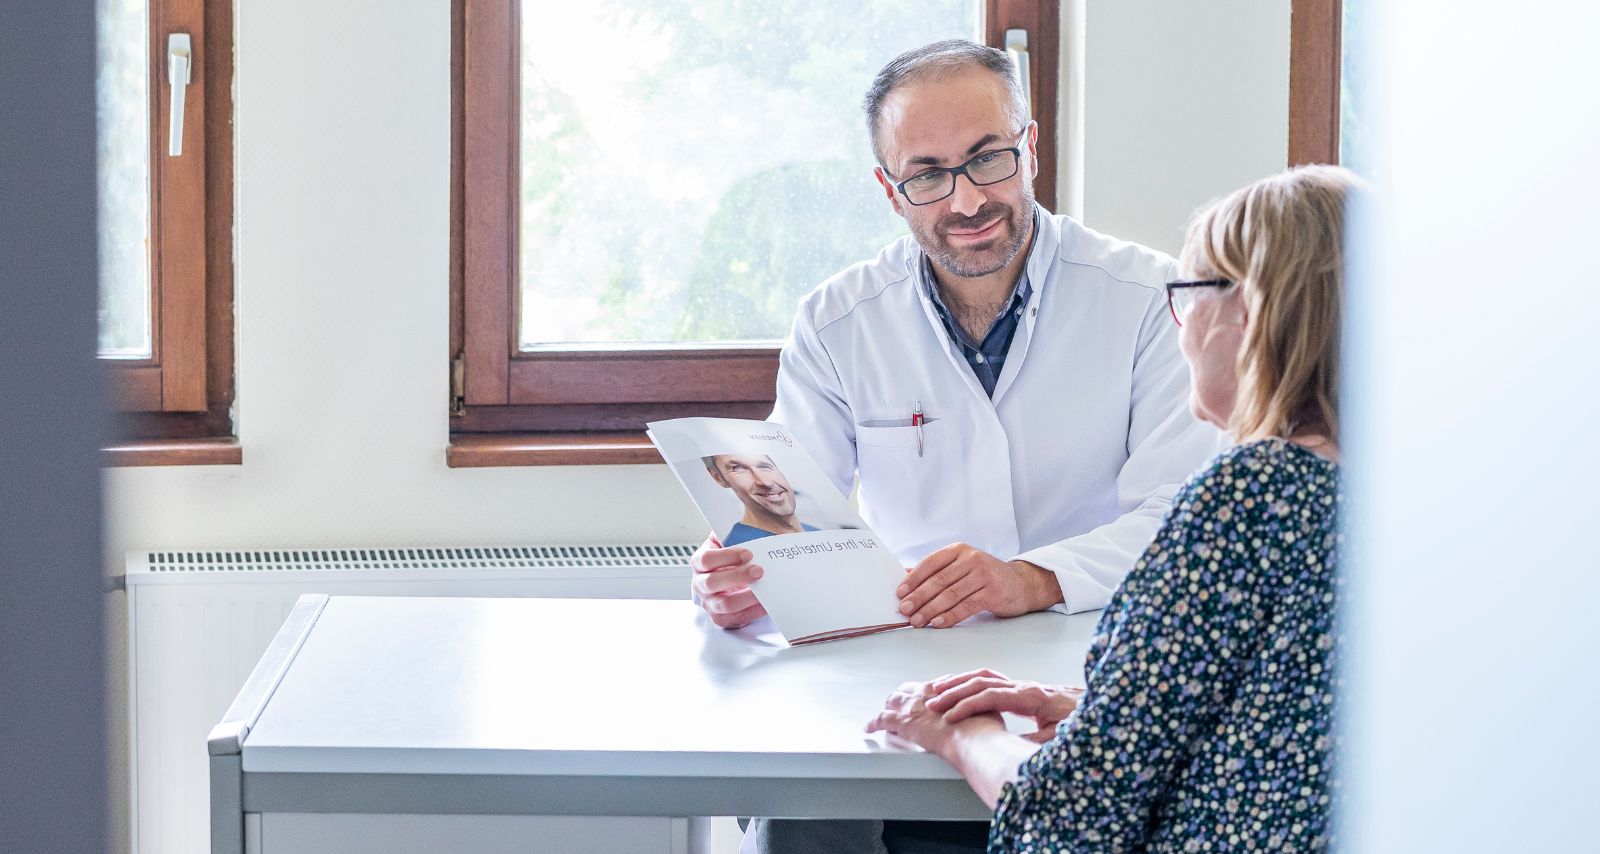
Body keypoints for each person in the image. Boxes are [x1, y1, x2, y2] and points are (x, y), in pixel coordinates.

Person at [704, 38, 1221, 854]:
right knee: (799, 815)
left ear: (1032, 149)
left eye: (988, 160)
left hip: (1085, 665)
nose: (966, 200)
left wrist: (1031, 578)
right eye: (928, 175)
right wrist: (744, 573)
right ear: (890, 190)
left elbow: (1181, 522)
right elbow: (793, 510)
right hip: (901, 664)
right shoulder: (838, 321)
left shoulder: (1145, 298)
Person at [866, 164, 1356, 852]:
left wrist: (957, 732)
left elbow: (1071, 814)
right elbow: (1291, 715)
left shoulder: (1251, 497)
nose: (1179, 327)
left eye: (1188, 295)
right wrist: (1103, 709)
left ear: (1250, 313)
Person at [702, 454, 819, 545]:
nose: (765, 482)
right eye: (737, 468)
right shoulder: (742, 549)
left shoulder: (815, 532)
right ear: (718, 478)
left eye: (764, 466)